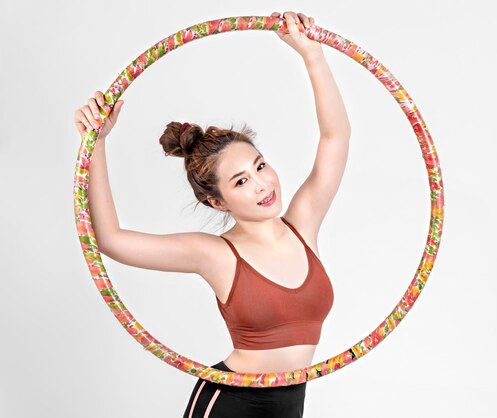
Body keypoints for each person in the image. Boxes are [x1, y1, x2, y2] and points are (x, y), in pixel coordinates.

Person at [74, 10, 350, 418]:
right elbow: (111, 240)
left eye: (259, 166)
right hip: (231, 404)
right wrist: (95, 144)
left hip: (291, 403)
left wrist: (312, 54)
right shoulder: (215, 254)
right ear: (217, 202)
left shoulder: (303, 224)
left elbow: (335, 137)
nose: (261, 184)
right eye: (239, 182)